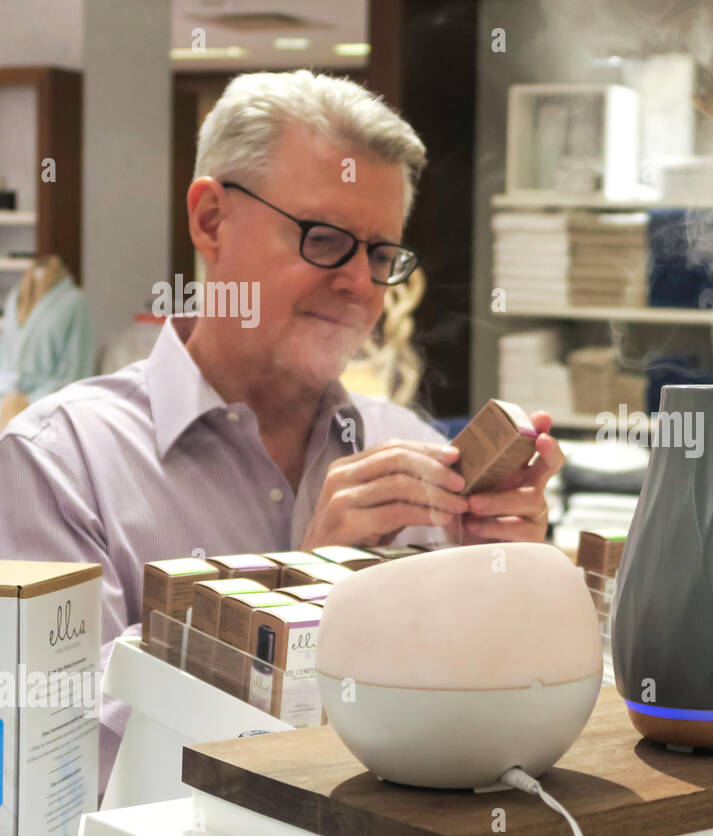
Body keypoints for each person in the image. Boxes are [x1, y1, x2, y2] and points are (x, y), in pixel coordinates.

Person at [0, 70, 563, 795]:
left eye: (382, 254)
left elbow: (483, 752)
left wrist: (510, 587)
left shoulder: (410, 444)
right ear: (210, 221)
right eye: (325, 239)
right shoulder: (57, 465)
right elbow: (63, 779)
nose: (361, 284)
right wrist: (296, 598)